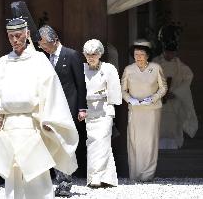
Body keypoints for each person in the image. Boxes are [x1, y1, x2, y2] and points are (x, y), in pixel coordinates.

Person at [0, 18, 79, 199]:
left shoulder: (39, 61)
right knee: (13, 177)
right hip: (8, 127)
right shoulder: (2, 63)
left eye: (18, 35)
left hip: (32, 125)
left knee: (37, 174)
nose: (15, 40)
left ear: (27, 34)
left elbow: (52, 92)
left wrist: (49, 118)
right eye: (11, 37)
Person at [38, 25, 87, 197]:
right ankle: (56, 180)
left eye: (44, 44)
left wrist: (82, 108)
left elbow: (81, 83)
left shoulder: (71, 55)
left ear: (54, 40)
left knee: (66, 145)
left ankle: (65, 183)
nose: (42, 48)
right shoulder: (46, 59)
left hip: (69, 106)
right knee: (52, 143)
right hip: (50, 108)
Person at [121, 39, 167, 182]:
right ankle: (135, 174)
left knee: (150, 142)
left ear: (148, 55)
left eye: (141, 54)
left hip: (152, 110)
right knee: (135, 141)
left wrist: (153, 98)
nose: (138, 57)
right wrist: (130, 100)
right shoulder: (129, 69)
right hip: (135, 110)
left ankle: (147, 175)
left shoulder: (156, 67)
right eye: (136, 54)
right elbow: (122, 90)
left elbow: (163, 87)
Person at [83, 39, 122, 187]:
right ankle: (107, 178)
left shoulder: (109, 68)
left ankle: (96, 178)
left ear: (100, 54)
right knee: (93, 143)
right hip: (88, 111)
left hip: (105, 110)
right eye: (87, 54)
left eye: (93, 54)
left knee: (102, 141)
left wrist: (103, 95)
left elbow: (115, 92)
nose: (90, 57)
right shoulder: (82, 68)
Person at [153, 25, 198, 149]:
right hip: (159, 104)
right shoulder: (155, 63)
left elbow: (187, 80)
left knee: (173, 129)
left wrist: (176, 92)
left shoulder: (182, 68)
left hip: (175, 104)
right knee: (158, 129)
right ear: (163, 49)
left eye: (172, 52)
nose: (169, 54)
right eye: (168, 52)